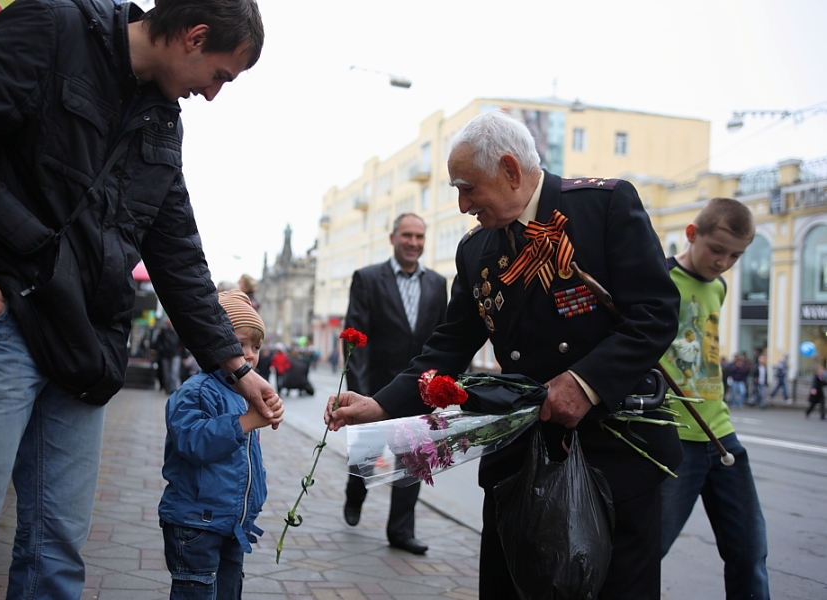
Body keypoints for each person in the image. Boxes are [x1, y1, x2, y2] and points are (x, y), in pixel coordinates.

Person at [0, 1, 278, 598]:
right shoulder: (52, 29)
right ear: (194, 37)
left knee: (57, 556)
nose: (213, 95)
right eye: (222, 75)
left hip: (83, 348)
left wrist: (237, 366)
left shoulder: (164, 118)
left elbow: (178, 254)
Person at [325, 111, 682, 598]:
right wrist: (383, 405)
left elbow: (656, 314)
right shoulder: (475, 250)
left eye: (468, 188)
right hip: (519, 460)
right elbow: (447, 345)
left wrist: (585, 382)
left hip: (612, 457)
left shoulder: (603, 206)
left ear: (511, 171)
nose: (462, 204)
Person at [659, 197, 770, 600]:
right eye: (717, 249)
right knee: (648, 549)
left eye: (736, 255)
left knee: (750, 550)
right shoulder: (659, 278)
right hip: (674, 438)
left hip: (721, 435)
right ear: (692, 234)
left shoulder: (719, 288)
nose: (724, 262)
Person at [160, 290, 283, 599]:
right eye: (240, 345)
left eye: (255, 346)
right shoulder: (197, 390)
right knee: (197, 591)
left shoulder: (243, 394)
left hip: (232, 522)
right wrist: (247, 421)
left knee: (229, 591)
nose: (251, 355)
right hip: (195, 524)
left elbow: (247, 459)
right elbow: (192, 441)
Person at [342, 213, 449, 555]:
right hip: (375, 386)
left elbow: (441, 338)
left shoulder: (436, 283)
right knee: (367, 458)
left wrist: (440, 384)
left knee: (414, 461)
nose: (413, 242)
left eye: (420, 236)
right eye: (407, 235)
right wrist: (360, 395)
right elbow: (356, 341)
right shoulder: (368, 279)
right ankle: (355, 495)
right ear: (392, 238)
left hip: (418, 390)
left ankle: (401, 531)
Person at [155, 318, 184, 394]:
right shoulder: (164, 331)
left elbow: (182, 343)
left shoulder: (179, 330)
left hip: (175, 354)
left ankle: (173, 388)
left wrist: (184, 355)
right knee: (166, 373)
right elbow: (159, 342)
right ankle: (168, 388)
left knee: (174, 372)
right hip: (165, 354)